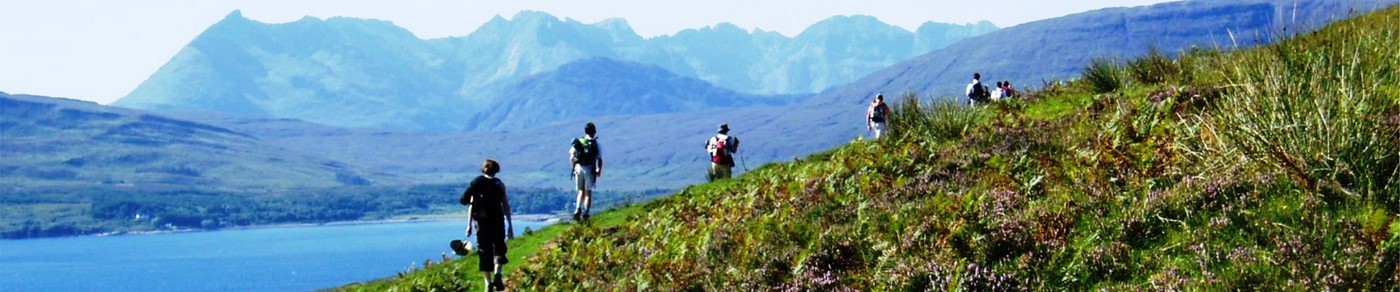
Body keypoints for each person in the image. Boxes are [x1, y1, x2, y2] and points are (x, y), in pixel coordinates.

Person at [460, 159, 514, 292]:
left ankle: (487, 283)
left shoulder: (476, 185)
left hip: (481, 222)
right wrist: (510, 224)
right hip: (497, 220)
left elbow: (471, 206)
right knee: (499, 247)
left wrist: (469, 225)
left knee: (484, 250)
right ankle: (498, 273)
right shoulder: (499, 184)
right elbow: (505, 204)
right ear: (496, 170)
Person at [569, 122, 602, 221]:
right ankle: (586, 213)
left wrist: (574, 169)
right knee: (588, 192)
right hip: (590, 168)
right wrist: (599, 169)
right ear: (594, 132)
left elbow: (571, 157)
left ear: (585, 131)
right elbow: (599, 158)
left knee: (580, 191)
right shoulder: (595, 143)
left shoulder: (579, 142)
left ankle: (577, 208)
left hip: (579, 167)